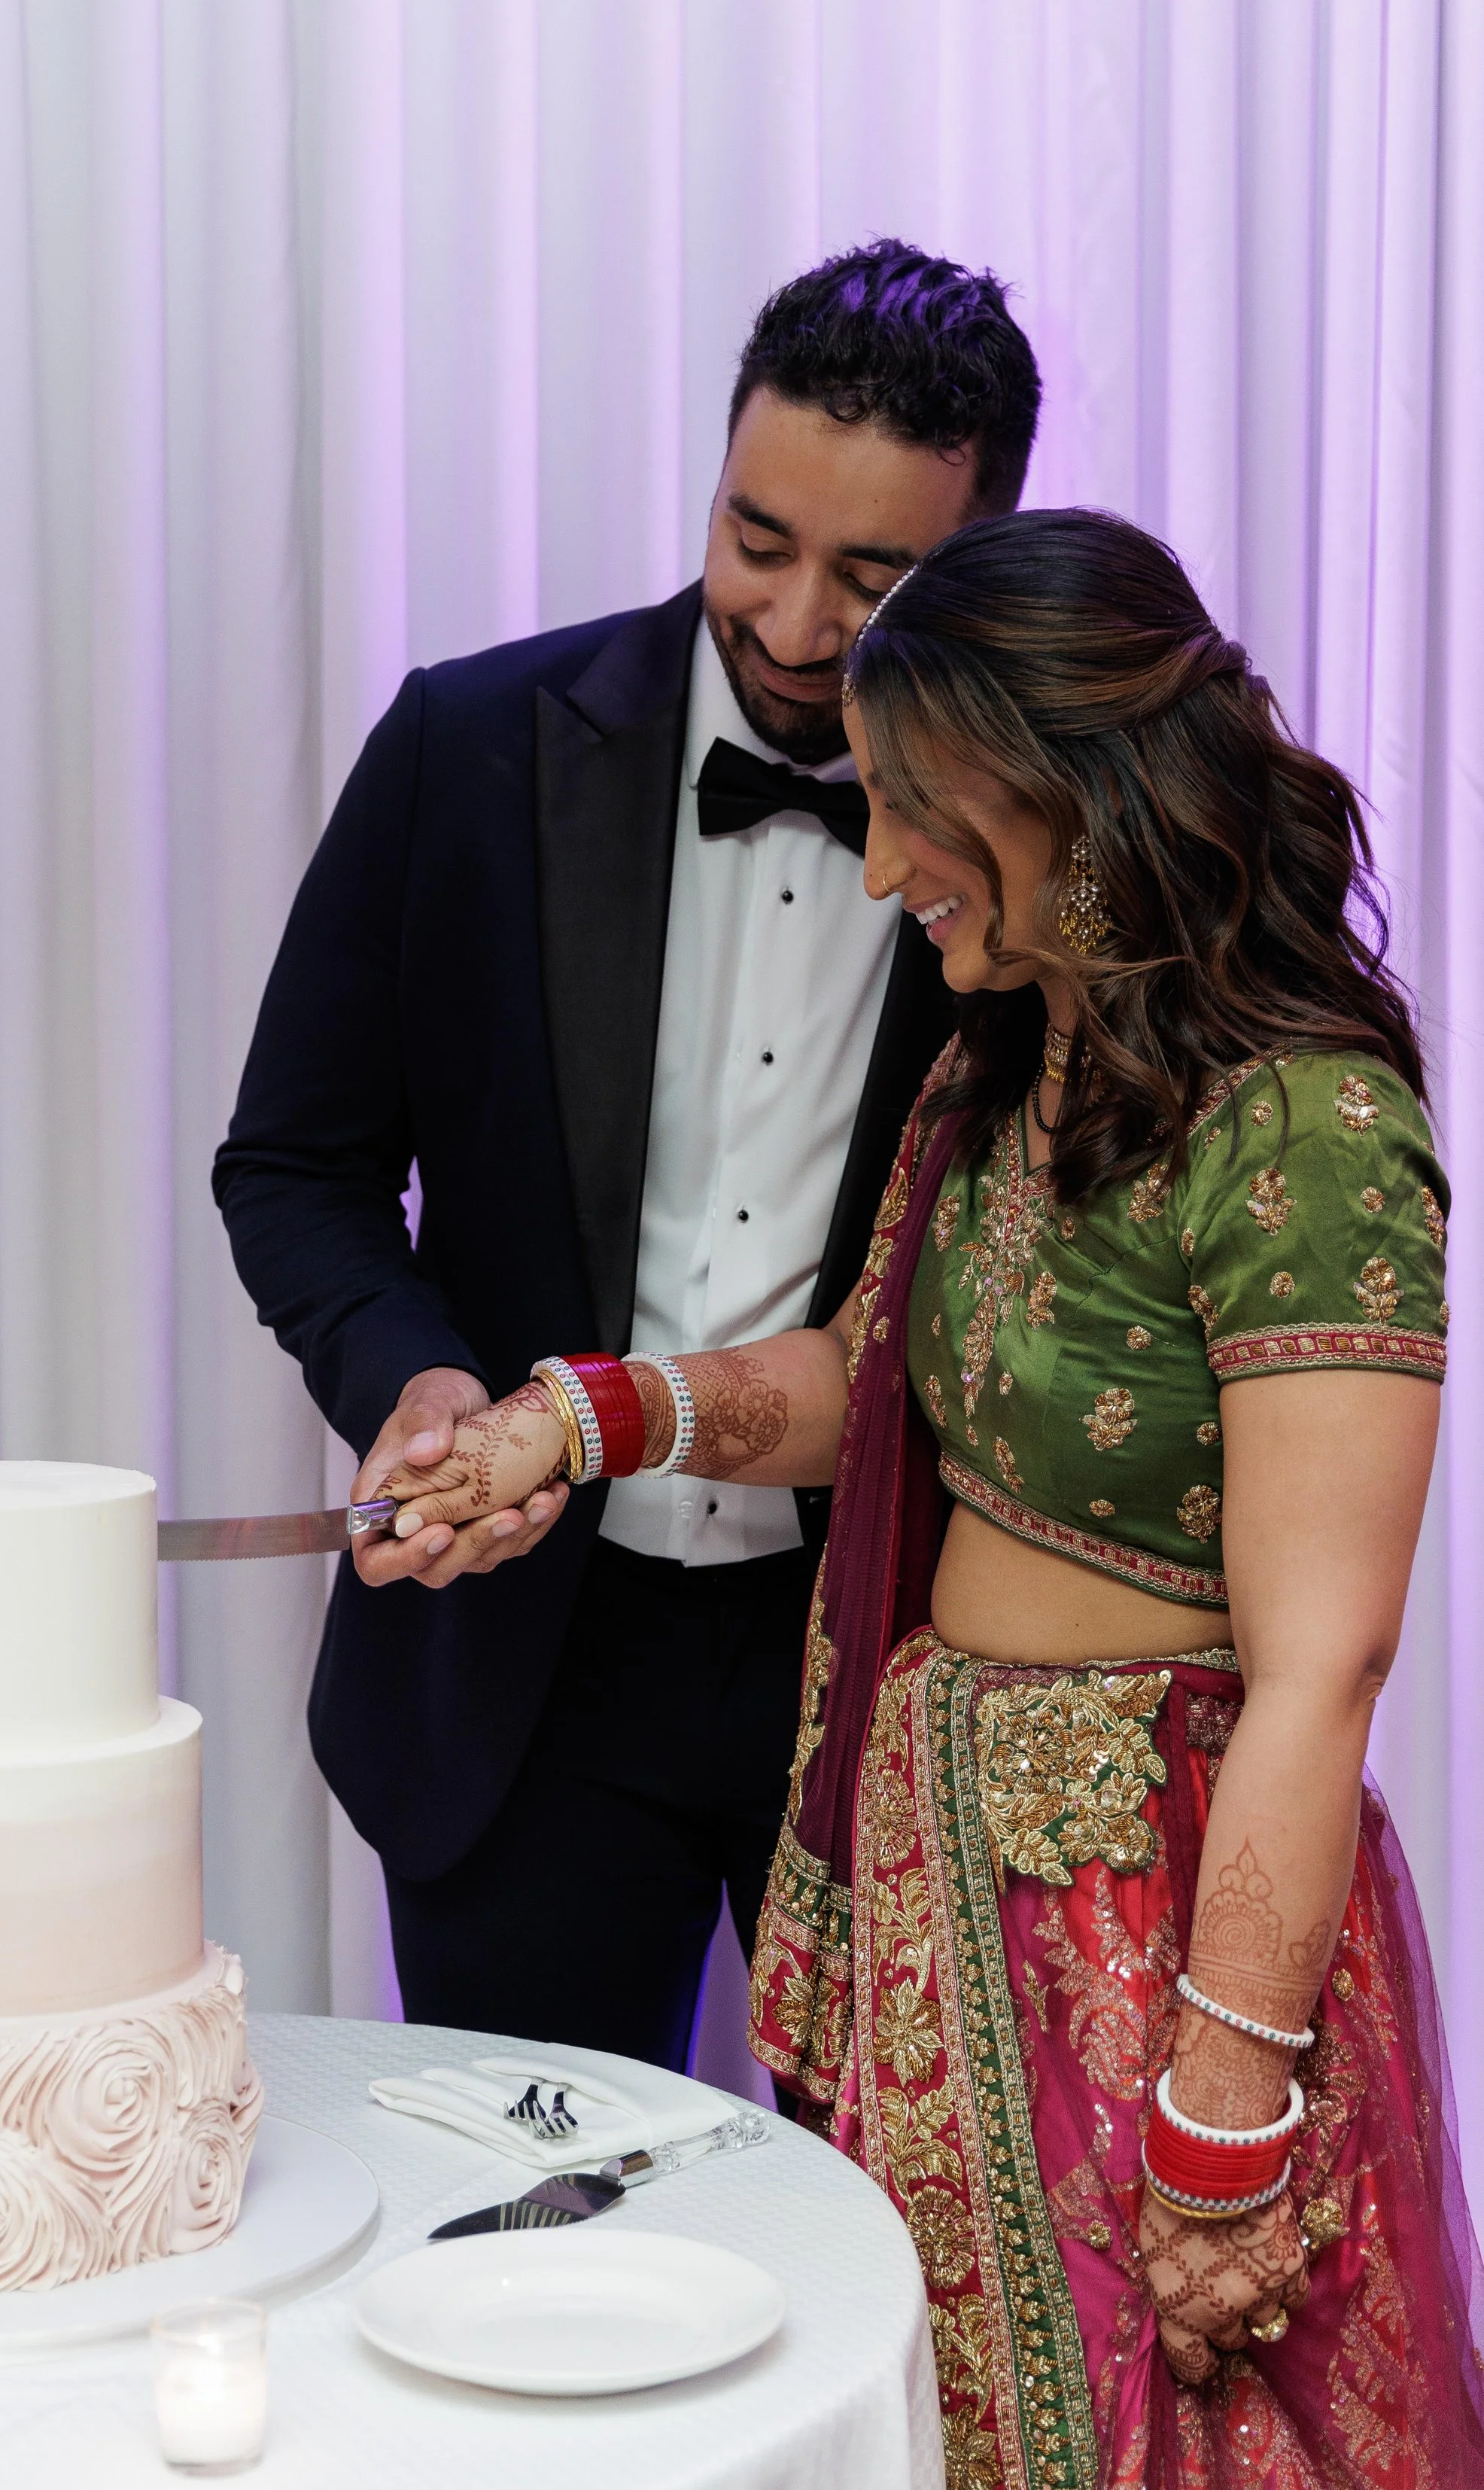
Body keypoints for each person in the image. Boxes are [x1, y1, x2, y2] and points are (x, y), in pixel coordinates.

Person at [371, 509, 1484, 2481]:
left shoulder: (1305, 1121)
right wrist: (576, 1413)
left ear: (1060, 788)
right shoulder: (1007, 1067)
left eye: (910, 807)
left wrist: (1221, 2118)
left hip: (1153, 1930)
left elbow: (1328, 1661)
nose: (878, 865)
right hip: (942, 1904)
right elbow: (863, 1385)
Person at [214, 242, 1041, 2064]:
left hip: (880, 1665)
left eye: (874, 576)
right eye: (757, 537)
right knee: (539, 2255)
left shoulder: (1040, 841)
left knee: (892, 2276)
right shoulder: (464, 746)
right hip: (524, 1665)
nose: (801, 622)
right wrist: (414, 1380)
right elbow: (293, 1163)